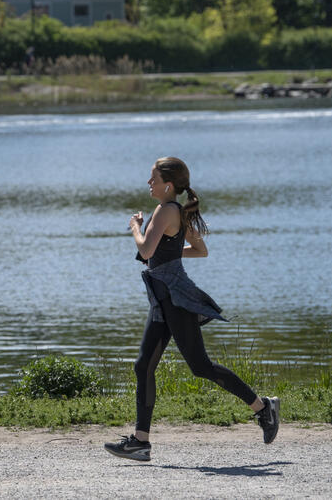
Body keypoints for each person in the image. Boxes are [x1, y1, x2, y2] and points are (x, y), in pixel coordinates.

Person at [104, 157, 280, 461]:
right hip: (163, 298)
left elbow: (144, 250)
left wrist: (135, 227)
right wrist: (167, 252)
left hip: (176, 299)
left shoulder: (165, 211)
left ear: (168, 185)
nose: (149, 184)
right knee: (143, 365)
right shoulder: (178, 212)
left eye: (153, 179)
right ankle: (140, 442)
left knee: (201, 367)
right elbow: (199, 250)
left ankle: (264, 409)